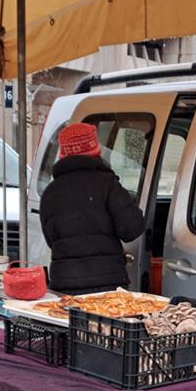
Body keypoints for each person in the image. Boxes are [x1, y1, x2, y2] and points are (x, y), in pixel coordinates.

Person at [38, 123, 145, 294]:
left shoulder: (49, 193)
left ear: (63, 153)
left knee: (70, 321)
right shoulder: (107, 184)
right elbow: (132, 228)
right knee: (107, 321)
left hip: (65, 285)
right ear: (96, 149)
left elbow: (53, 240)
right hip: (109, 285)